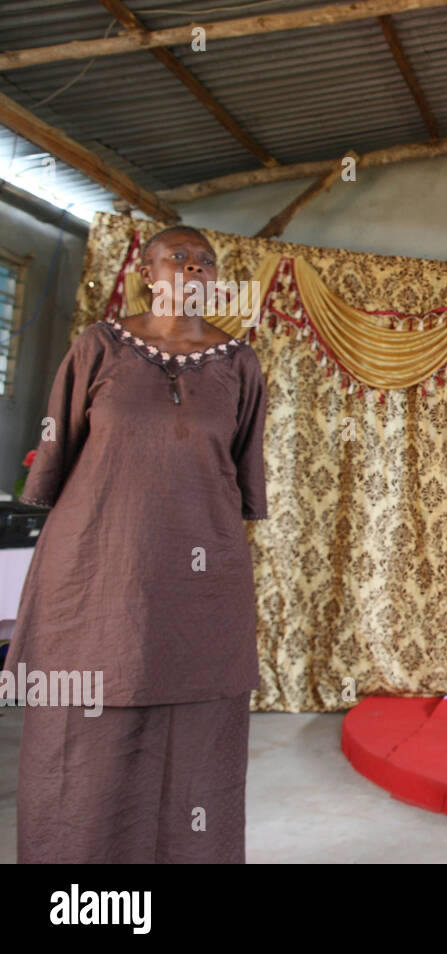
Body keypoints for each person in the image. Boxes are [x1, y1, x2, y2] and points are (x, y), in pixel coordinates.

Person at [3, 225, 267, 863]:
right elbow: (55, 454)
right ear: (148, 273)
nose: (195, 268)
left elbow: (243, 472)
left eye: (207, 261)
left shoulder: (240, 363)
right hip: (98, 563)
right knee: (85, 716)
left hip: (199, 571)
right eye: (178, 257)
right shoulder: (98, 346)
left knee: (197, 723)